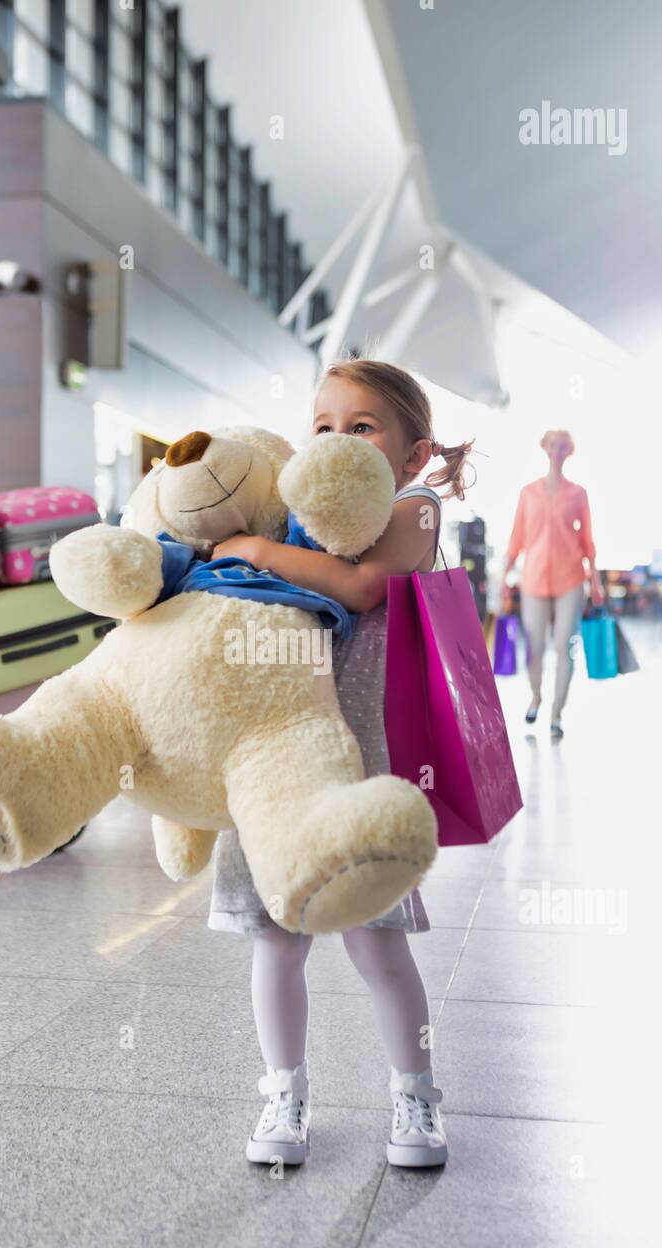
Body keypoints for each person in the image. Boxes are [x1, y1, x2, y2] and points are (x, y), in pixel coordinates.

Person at [207, 359, 473, 1168]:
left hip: (365, 764)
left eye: (362, 428)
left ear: (413, 453)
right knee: (277, 939)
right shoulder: (300, 517)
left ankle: (415, 1093)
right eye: (323, 427)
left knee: (377, 945)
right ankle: (283, 1090)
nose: (337, 443)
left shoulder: (414, 509)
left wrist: (253, 547)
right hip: (280, 764)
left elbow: (361, 590)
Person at [501, 429, 603, 738]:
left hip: (571, 577)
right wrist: (504, 577)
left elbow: (587, 541)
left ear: (569, 451)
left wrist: (595, 581)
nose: (558, 450)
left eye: (564, 446)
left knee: (564, 646)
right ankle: (536, 697)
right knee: (534, 647)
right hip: (532, 579)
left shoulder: (578, 493)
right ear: (545, 448)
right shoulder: (528, 493)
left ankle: (557, 713)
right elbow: (517, 537)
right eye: (553, 445)